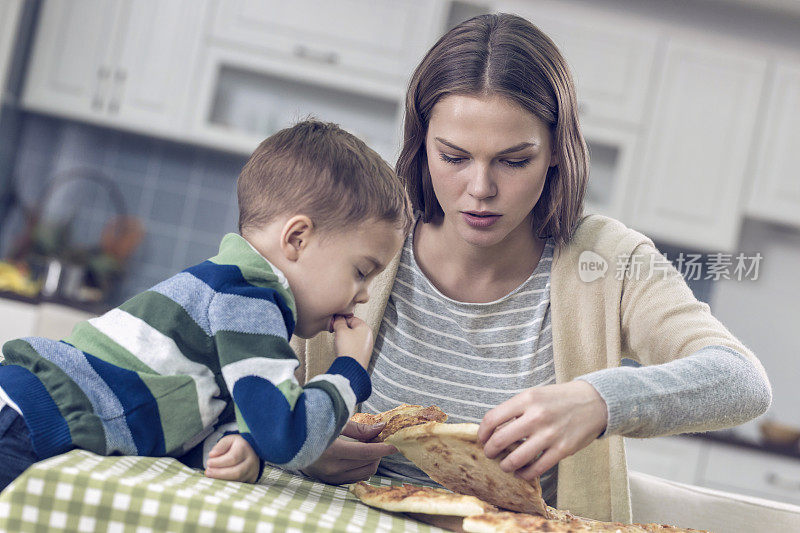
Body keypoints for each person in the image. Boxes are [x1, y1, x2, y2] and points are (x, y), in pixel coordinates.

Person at [205, 13, 772, 523]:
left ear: (556, 151)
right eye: (453, 157)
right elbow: (205, 376)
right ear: (420, 142)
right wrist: (295, 441)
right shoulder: (359, 237)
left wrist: (599, 400)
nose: (480, 190)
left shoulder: (607, 262)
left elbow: (741, 381)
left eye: (513, 160)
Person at [0, 120, 411, 492]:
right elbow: (284, 437)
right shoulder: (251, 299)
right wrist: (348, 371)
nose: (364, 296)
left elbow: (185, 416)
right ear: (297, 239)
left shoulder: (234, 293)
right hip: (26, 424)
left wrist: (238, 448)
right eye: (361, 271)